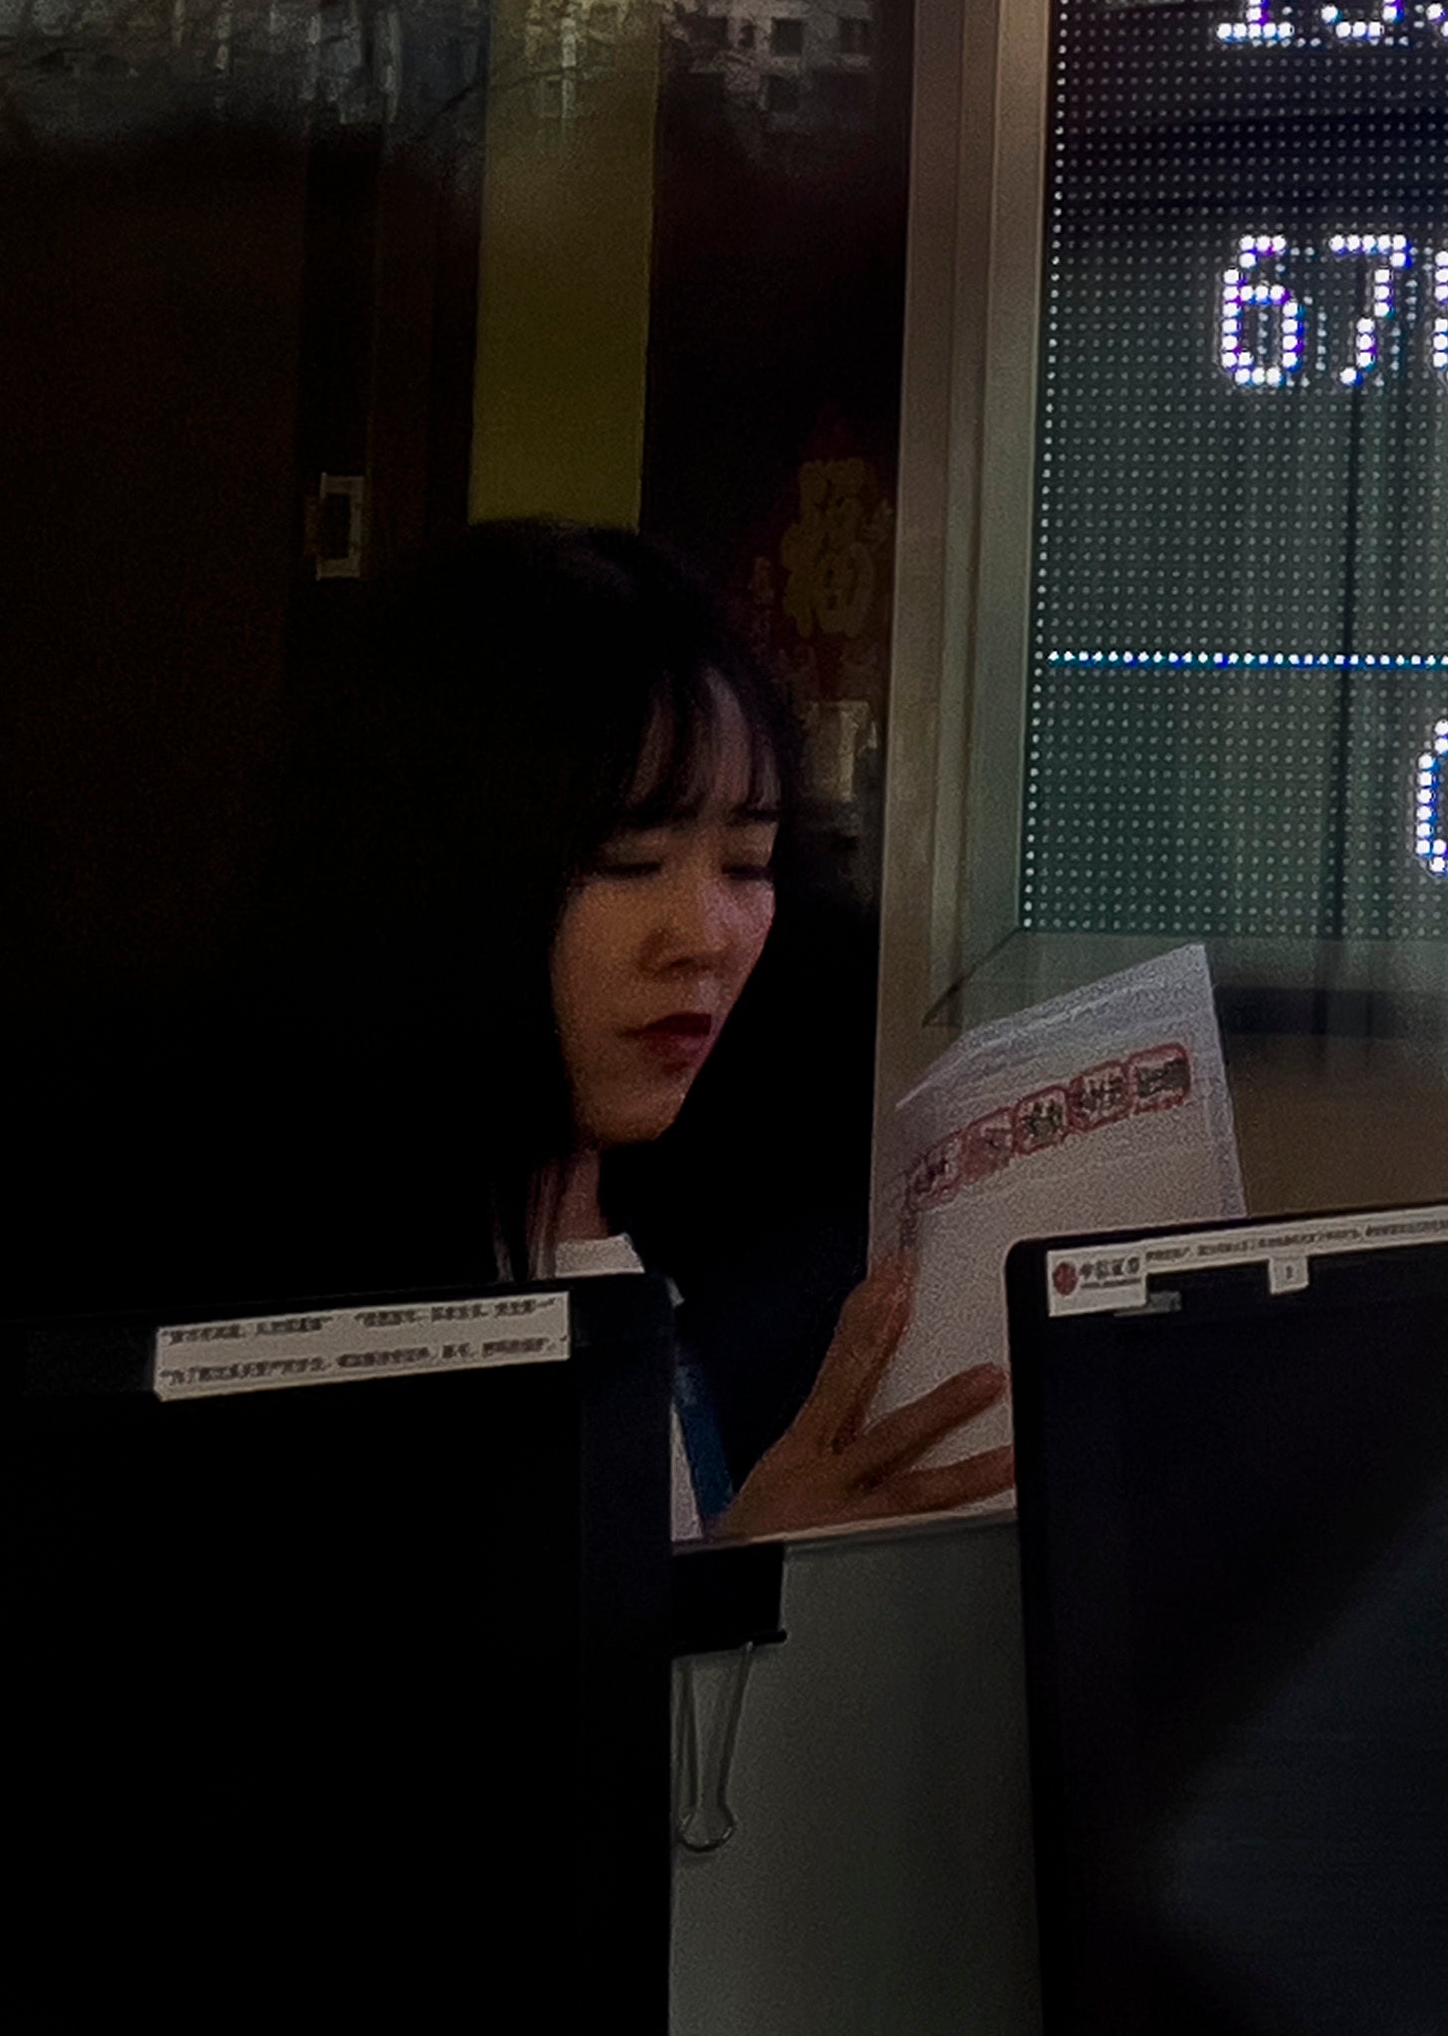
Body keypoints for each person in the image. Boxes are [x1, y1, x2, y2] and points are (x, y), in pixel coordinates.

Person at [221, 521, 1008, 1537]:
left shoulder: (776, 1241)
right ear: (428, 869)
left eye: (749, 862)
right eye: (630, 860)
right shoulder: (281, 1301)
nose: (704, 938)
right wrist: (739, 1575)